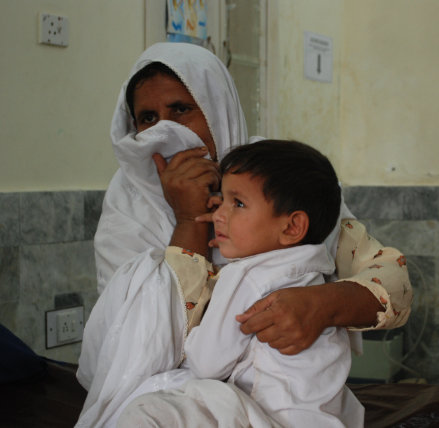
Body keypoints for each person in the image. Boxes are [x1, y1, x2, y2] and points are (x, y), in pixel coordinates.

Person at [76, 42, 411, 427]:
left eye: (181, 110)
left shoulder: (274, 178)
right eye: (147, 118)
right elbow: (127, 349)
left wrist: (321, 303)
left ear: (215, 108)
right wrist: (189, 220)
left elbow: (394, 283)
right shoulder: (128, 205)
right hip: (177, 401)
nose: (164, 130)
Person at [117, 139, 364, 427]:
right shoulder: (318, 276)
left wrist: (190, 336)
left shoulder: (247, 276)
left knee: (146, 409)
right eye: (221, 200)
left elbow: (207, 364)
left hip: (269, 420)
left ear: (292, 226)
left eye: (238, 203)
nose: (218, 215)